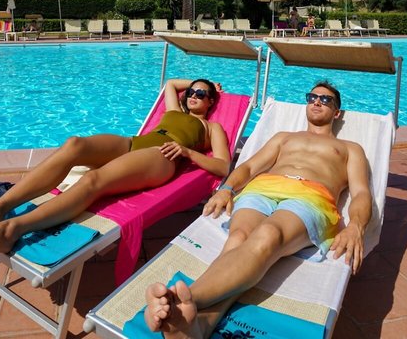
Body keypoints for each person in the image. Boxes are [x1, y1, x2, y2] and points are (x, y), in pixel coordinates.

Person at [143, 81, 371, 339]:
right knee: (238, 239)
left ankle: (183, 300)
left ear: (337, 112)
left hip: (310, 197)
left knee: (268, 234)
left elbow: (362, 193)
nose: (317, 102)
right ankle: (194, 328)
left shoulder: (351, 148)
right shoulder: (284, 137)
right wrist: (227, 188)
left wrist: (356, 226)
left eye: (326, 99)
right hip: (261, 190)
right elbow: (250, 167)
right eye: (312, 97)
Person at [0, 78, 231, 253]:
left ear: (211, 102)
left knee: (93, 180)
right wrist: (205, 83)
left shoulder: (212, 127)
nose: (193, 95)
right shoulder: (174, 109)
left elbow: (222, 166)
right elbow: (170, 83)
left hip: (162, 156)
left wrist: (187, 152)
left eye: (201, 93)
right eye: (191, 91)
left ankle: (11, 230)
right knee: (75, 145)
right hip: (135, 143)